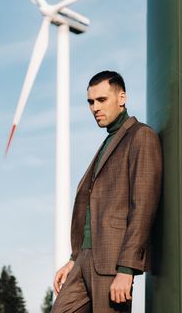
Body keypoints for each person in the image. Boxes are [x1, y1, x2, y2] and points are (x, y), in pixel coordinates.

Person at [51, 71, 163, 313]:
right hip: (84, 258)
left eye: (102, 100)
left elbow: (143, 206)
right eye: (91, 102)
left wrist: (126, 268)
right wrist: (74, 259)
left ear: (121, 97)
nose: (95, 108)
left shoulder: (140, 136)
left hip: (113, 261)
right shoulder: (109, 142)